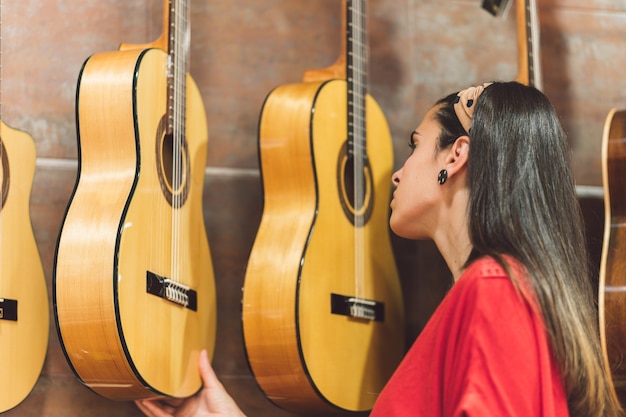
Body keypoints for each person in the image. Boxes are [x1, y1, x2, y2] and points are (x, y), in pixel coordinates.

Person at [136, 81, 624, 417]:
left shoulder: (494, 291)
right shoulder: (499, 292)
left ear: (456, 157)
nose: (397, 171)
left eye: (416, 144)